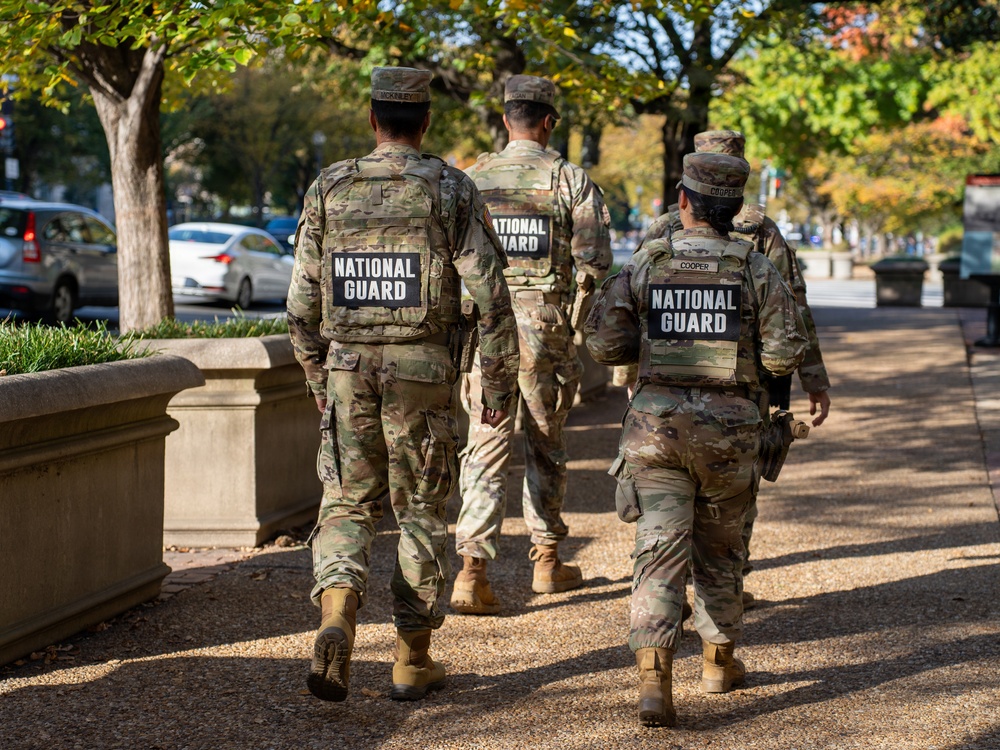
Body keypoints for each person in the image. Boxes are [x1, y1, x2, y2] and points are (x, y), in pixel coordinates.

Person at [287, 66, 520, 703]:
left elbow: (302, 305)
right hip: (425, 371)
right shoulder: (451, 187)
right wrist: (497, 385)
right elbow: (491, 298)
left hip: (349, 371)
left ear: (371, 120)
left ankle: (338, 610)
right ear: (424, 123)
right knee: (420, 512)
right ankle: (410, 660)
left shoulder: (329, 187)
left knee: (345, 503)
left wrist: (317, 376)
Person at [585, 152, 807, 727]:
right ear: (735, 209)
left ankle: (654, 681)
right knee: (721, 550)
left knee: (657, 552)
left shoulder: (646, 262)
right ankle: (717, 662)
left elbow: (605, 346)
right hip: (729, 432)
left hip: (655, 428)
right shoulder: (756, 268)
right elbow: (785, 352)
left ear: (683, 201)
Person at [630, 130, 831, 607]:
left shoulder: (665, 228)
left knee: (662, 495)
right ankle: (724, 589)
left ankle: (667, 595)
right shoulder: (761, 229)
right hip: (744, 383)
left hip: (665, 383)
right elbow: (793, 309)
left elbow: (633, 307)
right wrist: (814, 379)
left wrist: (628, 380)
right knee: (735, 489)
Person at [451, 74, 612, 614]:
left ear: (504, 121)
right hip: (546, 334)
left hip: (487, 336)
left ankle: (473, 572)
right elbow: (594, 265)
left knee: (485, 445)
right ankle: (546, 561)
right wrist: (575, 327)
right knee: (546, 445)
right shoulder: (570, 181)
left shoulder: (473, 179)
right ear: (548, 122)